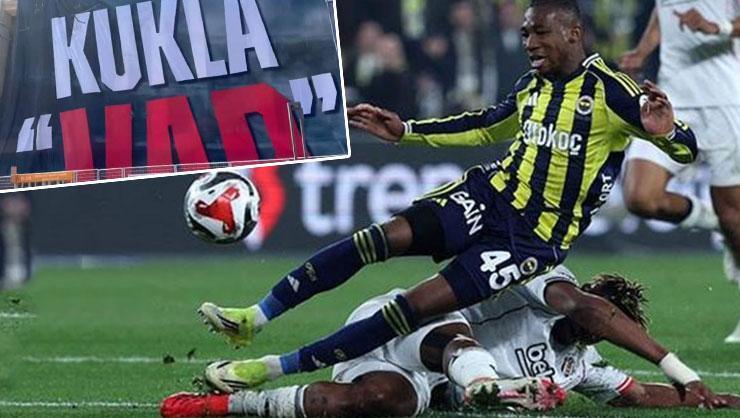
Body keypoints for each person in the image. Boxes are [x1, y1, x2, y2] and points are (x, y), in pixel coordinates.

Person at [196, 0, 697, 390]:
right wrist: (407, 131)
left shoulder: (612, 92)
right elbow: (484, 126)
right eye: (525, 33)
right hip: (490, 195)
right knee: (378, 239)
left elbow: (685, 148)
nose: (529, 42)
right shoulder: (534, 85)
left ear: (573, 33)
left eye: (539, 32)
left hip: (530, 239)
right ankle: (254, 317)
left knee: (411, 307)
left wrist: (670, 132)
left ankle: (269, 368)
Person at [164, 268, 737, 417]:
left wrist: (713, 398)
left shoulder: (579, 367)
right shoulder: (545, 286)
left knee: (365, 404)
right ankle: (487, 387)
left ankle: (226, 404)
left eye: (609, 320)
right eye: (601, 310)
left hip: (416, 375)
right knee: (458, 339)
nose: (599, 320)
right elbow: (584, 305)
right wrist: (680, 366)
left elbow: (638, 395)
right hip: (404, 323)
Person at [618, 2, 740, 343]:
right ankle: (712, 220)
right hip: (673, 97)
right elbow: (665, 10)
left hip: (724, 101)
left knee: (735, 217)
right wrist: (643, 50)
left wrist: (719, 28)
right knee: (640, 197)